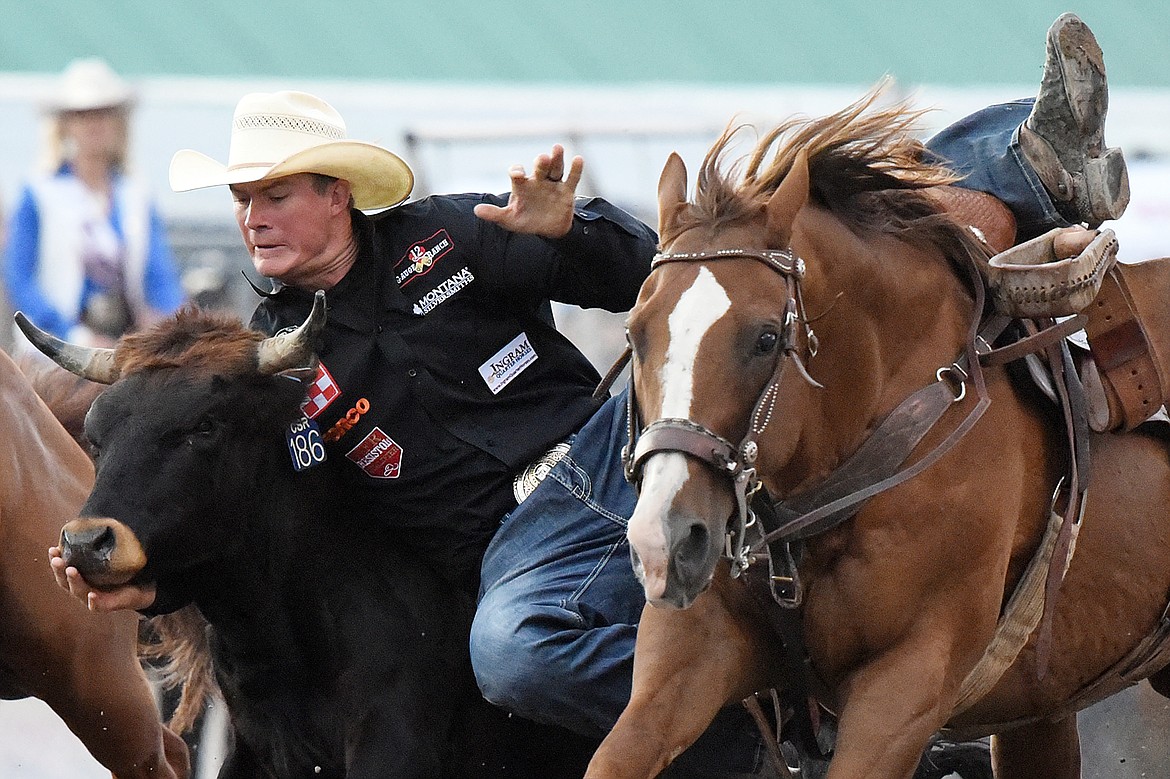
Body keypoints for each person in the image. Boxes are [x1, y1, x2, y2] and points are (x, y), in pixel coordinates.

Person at [47, 13, 1124, 777]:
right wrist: (140, 564)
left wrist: (580, 229)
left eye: (274, 193)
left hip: (615, 446)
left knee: (791, 218)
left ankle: (1021, 160)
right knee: (512, 650)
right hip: (516, 544)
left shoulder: (453, 234)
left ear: (337, 193)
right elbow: (258, 506)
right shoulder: (279, 354)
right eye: (242, 201)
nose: (252, 218)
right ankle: (770, 713)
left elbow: (661, 279)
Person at [3, 57, 185, 353]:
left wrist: (173, 326)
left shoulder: (136, 193)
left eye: (103, 113)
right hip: (53, 351)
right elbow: (19, 278)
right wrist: (72, 334)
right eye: (82, 115)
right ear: (65, 125)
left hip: (125, 342)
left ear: (118, 122)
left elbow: (158, 274)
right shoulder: (38, 191)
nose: (94, 124)